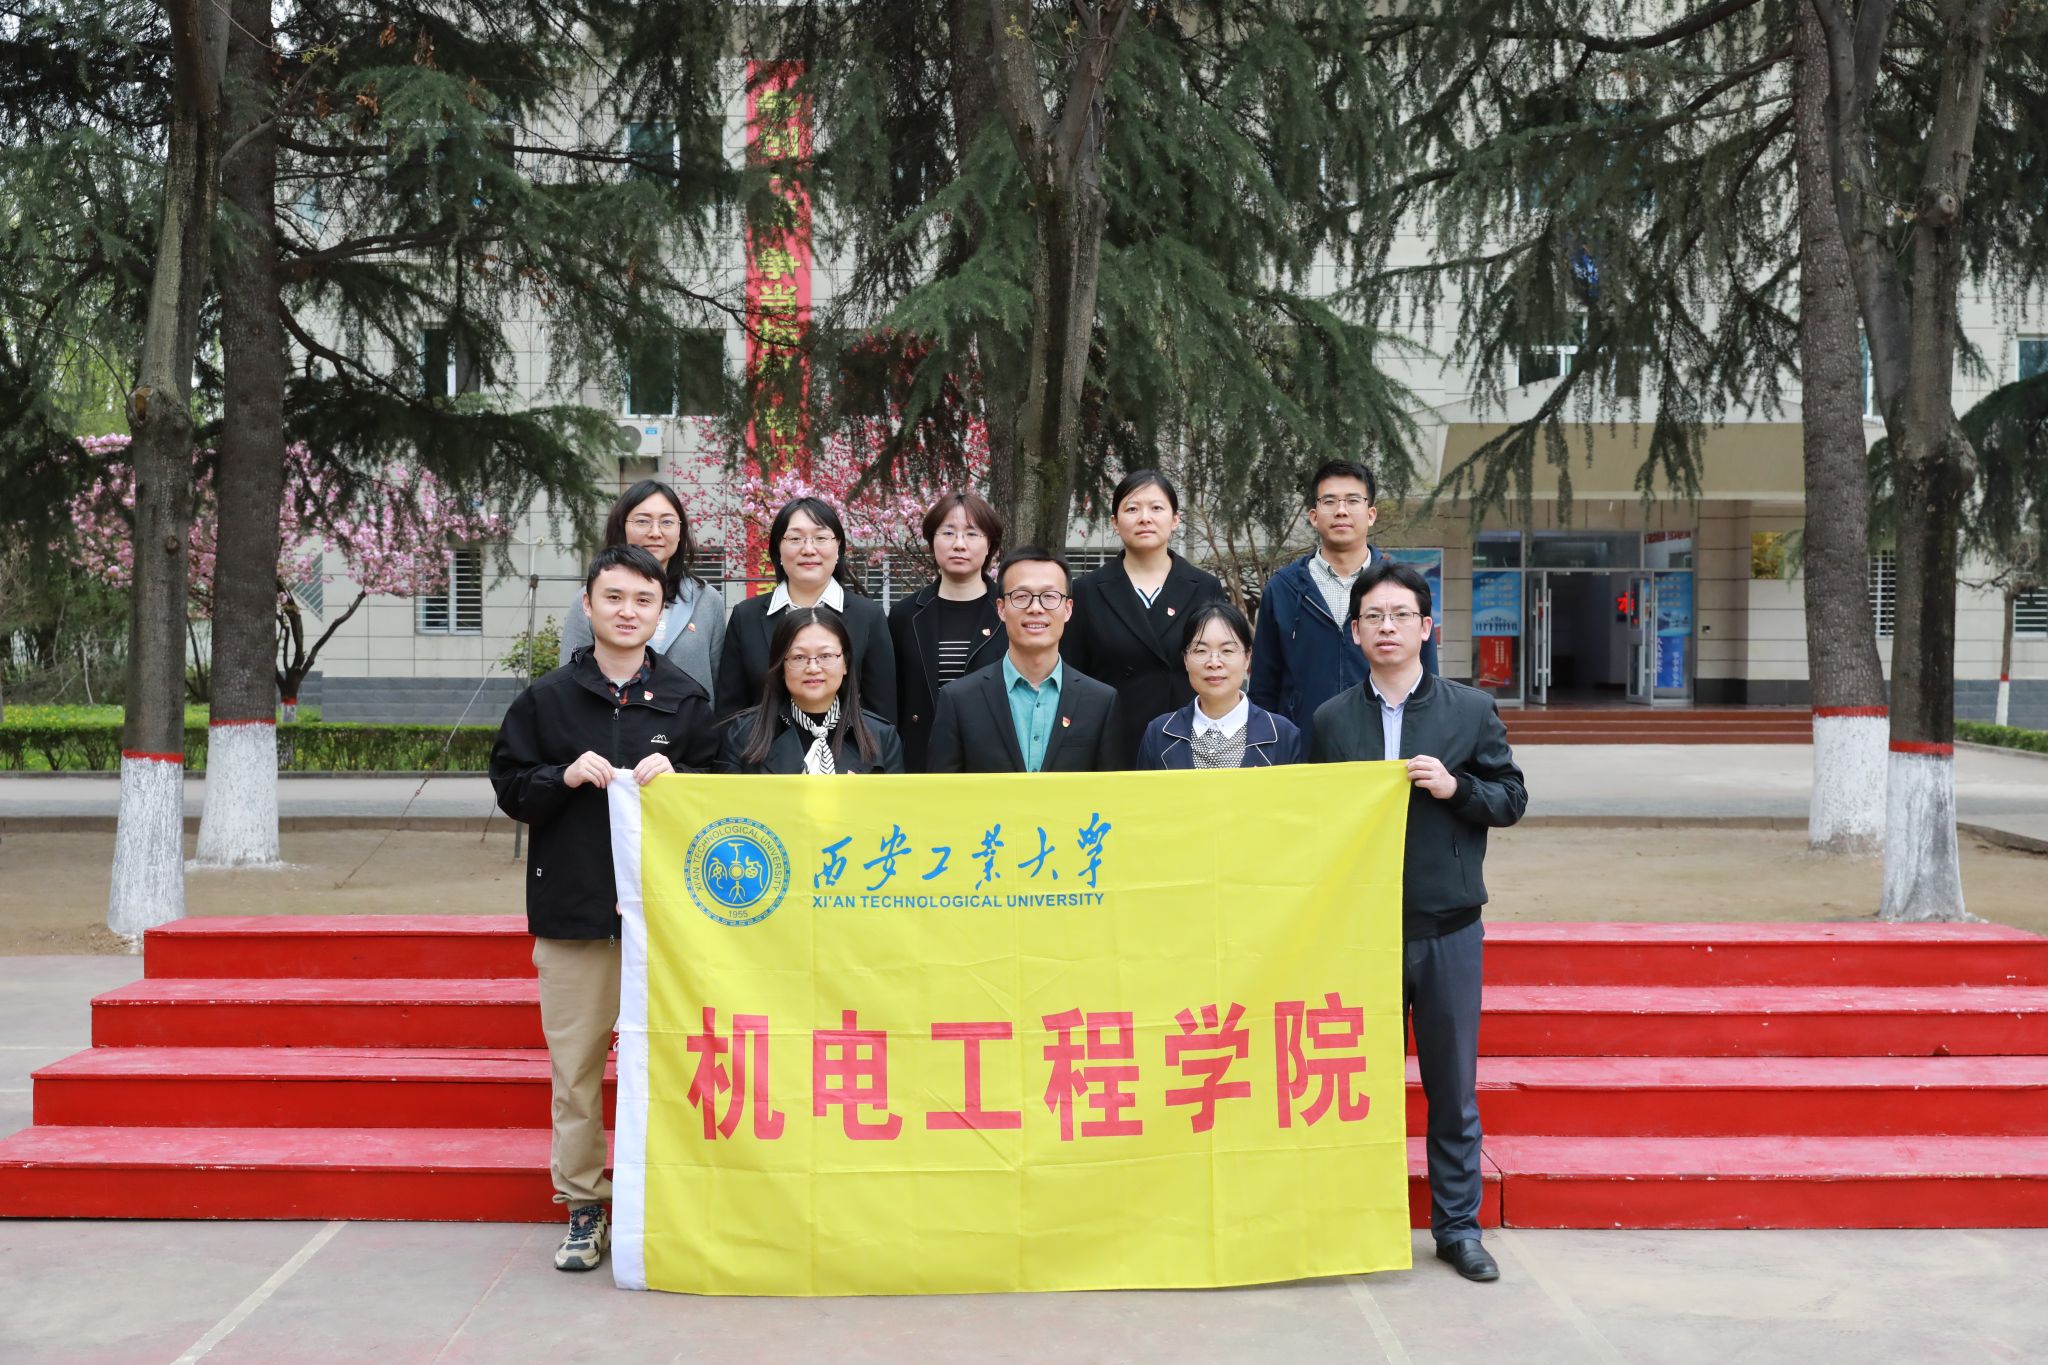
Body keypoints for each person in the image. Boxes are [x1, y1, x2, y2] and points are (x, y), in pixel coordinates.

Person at [489, 544, 719, 1274]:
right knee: (577, 1071)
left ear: (661, 613)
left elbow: (724, 795)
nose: (627, 611)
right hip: (575, 915)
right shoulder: (548, 699)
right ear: (587, 605)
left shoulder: (686, 699)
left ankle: (672, 1203)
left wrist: (682, 779)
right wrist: (561, 776)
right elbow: (511, 787)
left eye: (643, 600)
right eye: (613, 597)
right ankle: (585, 1206)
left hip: (669, 925)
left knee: (682, 1064)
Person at [1308, 559, 1526, 1284]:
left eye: (1401, 615)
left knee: (1450, 1088)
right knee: (1351, 1087)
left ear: (1427, 627)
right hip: (1359, 932)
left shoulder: (1470, 709)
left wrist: (1455, 787)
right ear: (1355, 632)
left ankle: (1457, 1228)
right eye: (1373, 616)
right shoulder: (1332, 720)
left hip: (1447, 926)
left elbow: (1510, 798)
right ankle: (1351, 1223)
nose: (1388, 627)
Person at [1250, 459, 1438, 750]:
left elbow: (1428, 676)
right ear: (1314, 516)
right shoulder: (1283, 588)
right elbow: (1264, 686)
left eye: (1353, 500)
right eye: (1329, 501)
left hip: (1385, 748)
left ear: (1371, 514)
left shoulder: (1404, 589)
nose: (1341, 510)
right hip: (1303, 748)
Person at [1063, 469, 1226, 767]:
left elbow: (1221, 668)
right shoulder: (1086, 591)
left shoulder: (1205, 587)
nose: (1145, 518)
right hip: (1113, 743)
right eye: (1132, 509)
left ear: (1175, 519)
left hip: (1187, 743)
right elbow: (1073, 678)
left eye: (1156, 508)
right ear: (1115, 522)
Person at [926, 546, 1122, 773]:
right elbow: (942, 791)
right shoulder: (959, 700)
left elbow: (1111, 791)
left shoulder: (1100, 702)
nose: (1035, 608)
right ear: (1001, 609)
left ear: (1068, 609)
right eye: (1021, 597)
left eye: (1049, 597)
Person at [716, 497, 896, 725]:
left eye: (820, 538)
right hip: (762, 747)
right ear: (778, 550)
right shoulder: (746, 617)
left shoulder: (868, 616)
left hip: (847, 747)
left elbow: (882, 712)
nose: (808, 550)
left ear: (838, 548)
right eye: (795, 539)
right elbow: (730, 713)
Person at [558, 479, 726, 707]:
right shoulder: (590, 598)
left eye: (667, 522)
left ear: (680, 531)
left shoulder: (707, 600)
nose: (655, 532)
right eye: (642, 521)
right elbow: (570, 679)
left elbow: (721, 686)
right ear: (622, 527)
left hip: (689, 726)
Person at [888, 491, 1005, 772]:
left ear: (990, 545)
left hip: (995, 761)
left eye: (972, 534)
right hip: (921, 760)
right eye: (948, 533)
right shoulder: (905, 615)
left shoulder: (1010, 611)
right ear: (932, 542)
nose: (959, 544)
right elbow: (893, 698)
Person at [717, 606, 906, 774]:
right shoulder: (743, 735)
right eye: (799, 657)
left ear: (846, 664)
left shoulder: (882, 736)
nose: (813, 668)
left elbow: (894, 803)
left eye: (826, 656)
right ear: (781, 666)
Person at [1135, 600, 1302, 768]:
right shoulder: (1159, 734)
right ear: (1185, 659)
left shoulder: (1283, 735)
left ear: (1247, 657)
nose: (1214, 663)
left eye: (1227, 650)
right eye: (1201, 650)